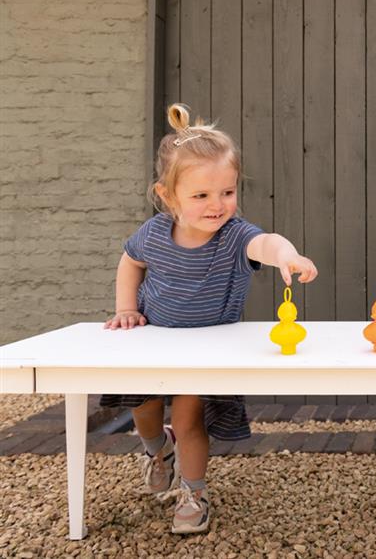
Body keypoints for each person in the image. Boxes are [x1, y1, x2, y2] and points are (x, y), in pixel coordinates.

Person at [101, 103, 317, 534]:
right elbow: (130, 262)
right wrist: (126, 308)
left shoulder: (235, 236)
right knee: (143, 409)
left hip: (207, 351)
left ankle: (194, 491)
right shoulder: (155, 233)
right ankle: (156, 449)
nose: (217, 205)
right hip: (153, 343)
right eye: (201, 196)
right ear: (168, 195)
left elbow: (267, 243)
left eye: (228, 193)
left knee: (188, 418)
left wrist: (286, 255)